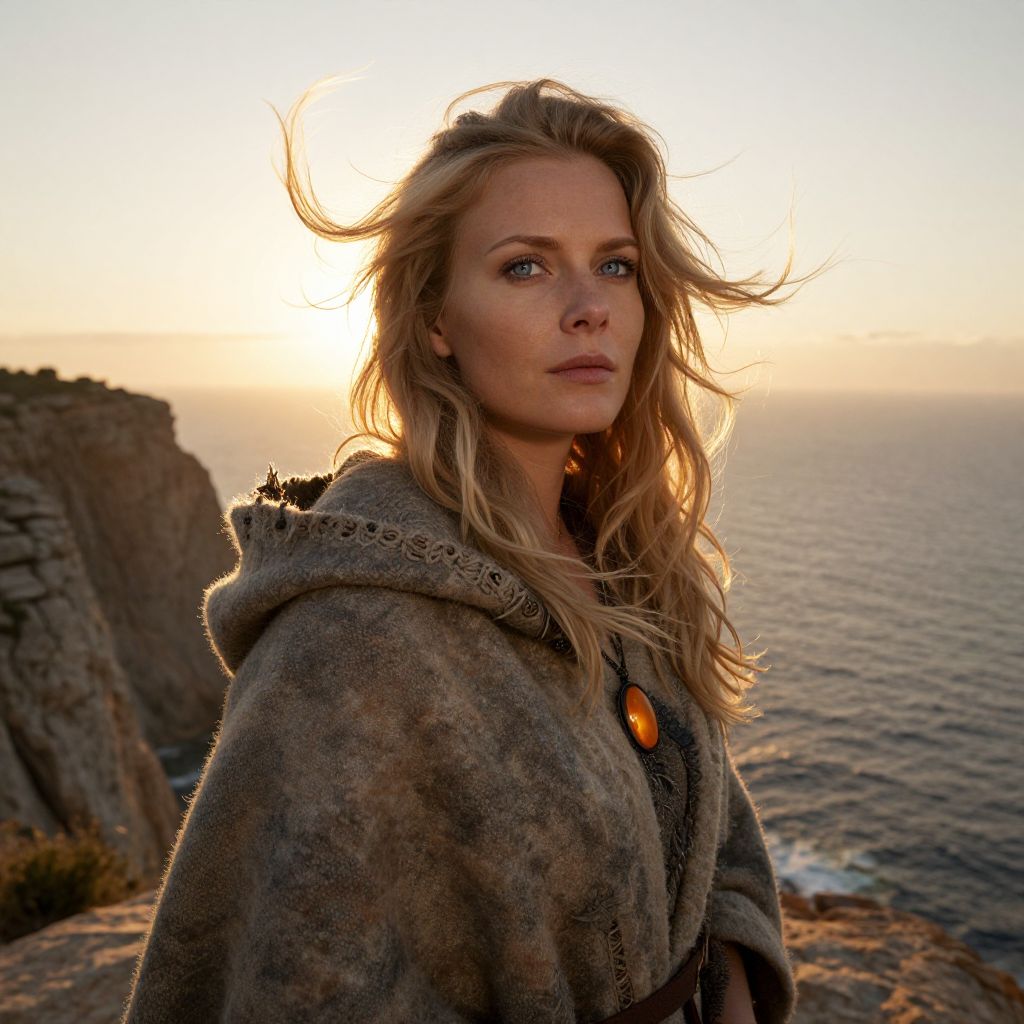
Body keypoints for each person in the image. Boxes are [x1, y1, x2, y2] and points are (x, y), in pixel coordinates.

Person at [122, 77, 829, 1024]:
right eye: (525, 267)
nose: (590, 307)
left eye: (616, 265)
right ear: (435, 320)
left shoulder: (618, 561)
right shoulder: (348, 641)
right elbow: (293, 983)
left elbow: (708, 834)